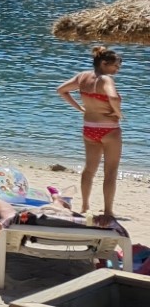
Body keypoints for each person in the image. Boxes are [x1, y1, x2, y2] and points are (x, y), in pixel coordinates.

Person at [58, 46, 124, 219]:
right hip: (109, 129)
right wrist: (118, 113)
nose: (118, 69)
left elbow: (61, 90)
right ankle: (108, 211)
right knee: (110, 171)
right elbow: (114, 98)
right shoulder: (105, 80)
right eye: (116, 66)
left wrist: (79, 107)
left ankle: (85, 205)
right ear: (104, 63)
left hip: (89, 128)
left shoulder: (82, 77)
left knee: (89, 170)